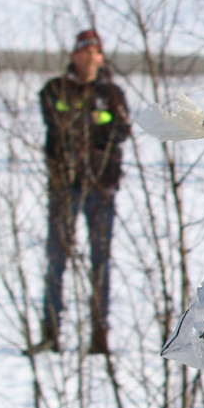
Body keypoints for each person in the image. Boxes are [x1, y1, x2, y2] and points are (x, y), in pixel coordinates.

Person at [35, 29, 131, 354]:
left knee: (100, 261)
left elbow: (121, 130)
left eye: (96, 53)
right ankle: (50, 333)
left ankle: (99, 336)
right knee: (56, 259)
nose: (90, 58)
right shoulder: (55, 89)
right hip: (65, 187)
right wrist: (90, 120)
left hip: (101, 187)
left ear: (101, 57)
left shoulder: (113, 93)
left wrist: (92, 120)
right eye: (84, 52)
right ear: (74, 55)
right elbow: (56, 124)